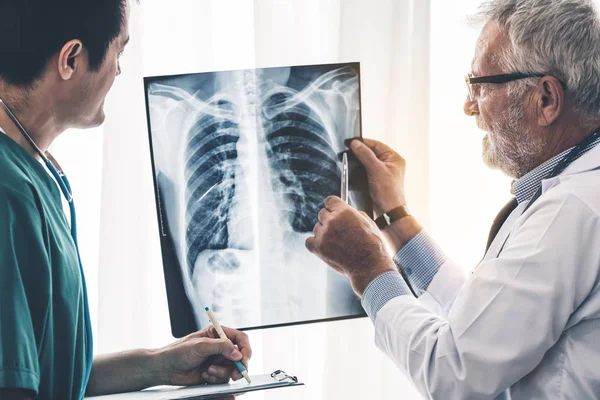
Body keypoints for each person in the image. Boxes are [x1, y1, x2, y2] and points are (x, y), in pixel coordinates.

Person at [306, 0, 600, 398]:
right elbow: (489, 323)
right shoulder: (577, 195)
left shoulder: (572, 212)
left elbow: (453, 372)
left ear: (545, 98)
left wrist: (366, 268)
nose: (468, 106)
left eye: (480, 85)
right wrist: (396, 218)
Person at [0, 1, 251, 399]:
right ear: (71, 59)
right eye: (119, 52)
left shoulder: (30, 173)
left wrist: (164, 362)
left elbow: (54, 376)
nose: (118, 70)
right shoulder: (7, 193)